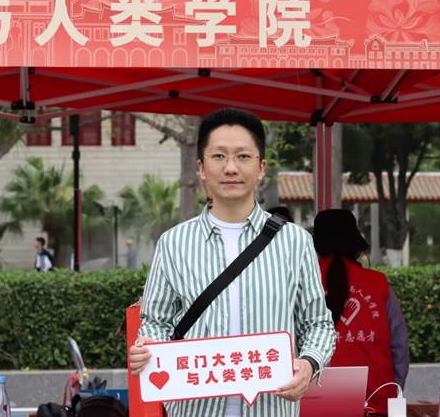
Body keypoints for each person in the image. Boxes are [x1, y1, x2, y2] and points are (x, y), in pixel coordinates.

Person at [129, 108, 335, 417]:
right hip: (195, 410)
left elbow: (318, 323)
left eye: (243, 156)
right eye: (218, 156)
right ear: (201, 168)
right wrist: (149, 350)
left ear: (261, 167)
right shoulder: (173, 244)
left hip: (271, 410)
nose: (230, 168)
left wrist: (309, 363)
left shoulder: (295, 242)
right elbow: (156, 321)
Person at [313, 209, 409, 415]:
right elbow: (399, 346)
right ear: (355, 242)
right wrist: (393, 392)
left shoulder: (302, 283)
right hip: (375, 403)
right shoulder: (378, 284)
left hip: (315, 404)